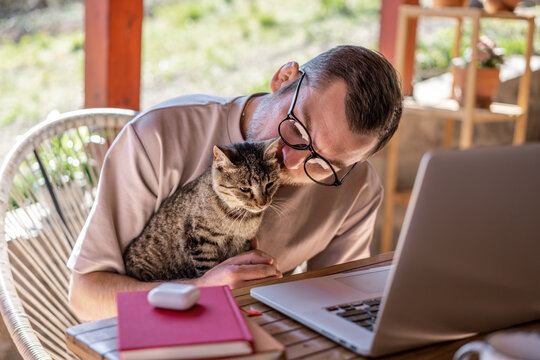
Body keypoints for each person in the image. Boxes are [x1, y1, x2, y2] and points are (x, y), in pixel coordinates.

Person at [68, 45, 402, 320]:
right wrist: (202, 291)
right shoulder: (157, 137)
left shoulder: (356, 186)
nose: (292, 161)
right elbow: (86, 299)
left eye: (324, 163)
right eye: (298, 129)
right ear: (284, 78)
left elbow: (336, 308)